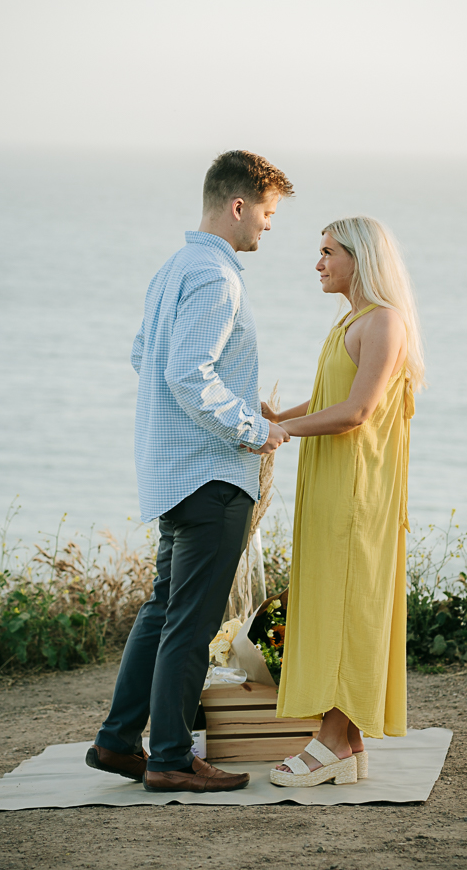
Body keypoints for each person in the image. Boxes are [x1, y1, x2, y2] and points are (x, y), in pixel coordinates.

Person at [86, 150, 293, 794]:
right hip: (210, 475)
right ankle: (171, 757)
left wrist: (233, 395)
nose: (268, 226)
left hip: (172, 470)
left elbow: (145, 356)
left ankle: (121, 742)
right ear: (238, 206)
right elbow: (184, 372)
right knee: (191, 621)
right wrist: (256, 429)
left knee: (161, 611)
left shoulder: (173, 268)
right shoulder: (218, 277)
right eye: (267, 212)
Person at [263, 216, 424, 787]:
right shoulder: (352, 321)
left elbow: (357, 410)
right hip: (333, 483)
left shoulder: (384, 321)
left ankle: (330, 737)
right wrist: (278, 415)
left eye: (329, 252)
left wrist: (286, 432)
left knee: (345, 604)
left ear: (362, 259)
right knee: (332, 598)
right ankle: (348, 742)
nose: (319, 262)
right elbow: (333, 394)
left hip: (358, 491)